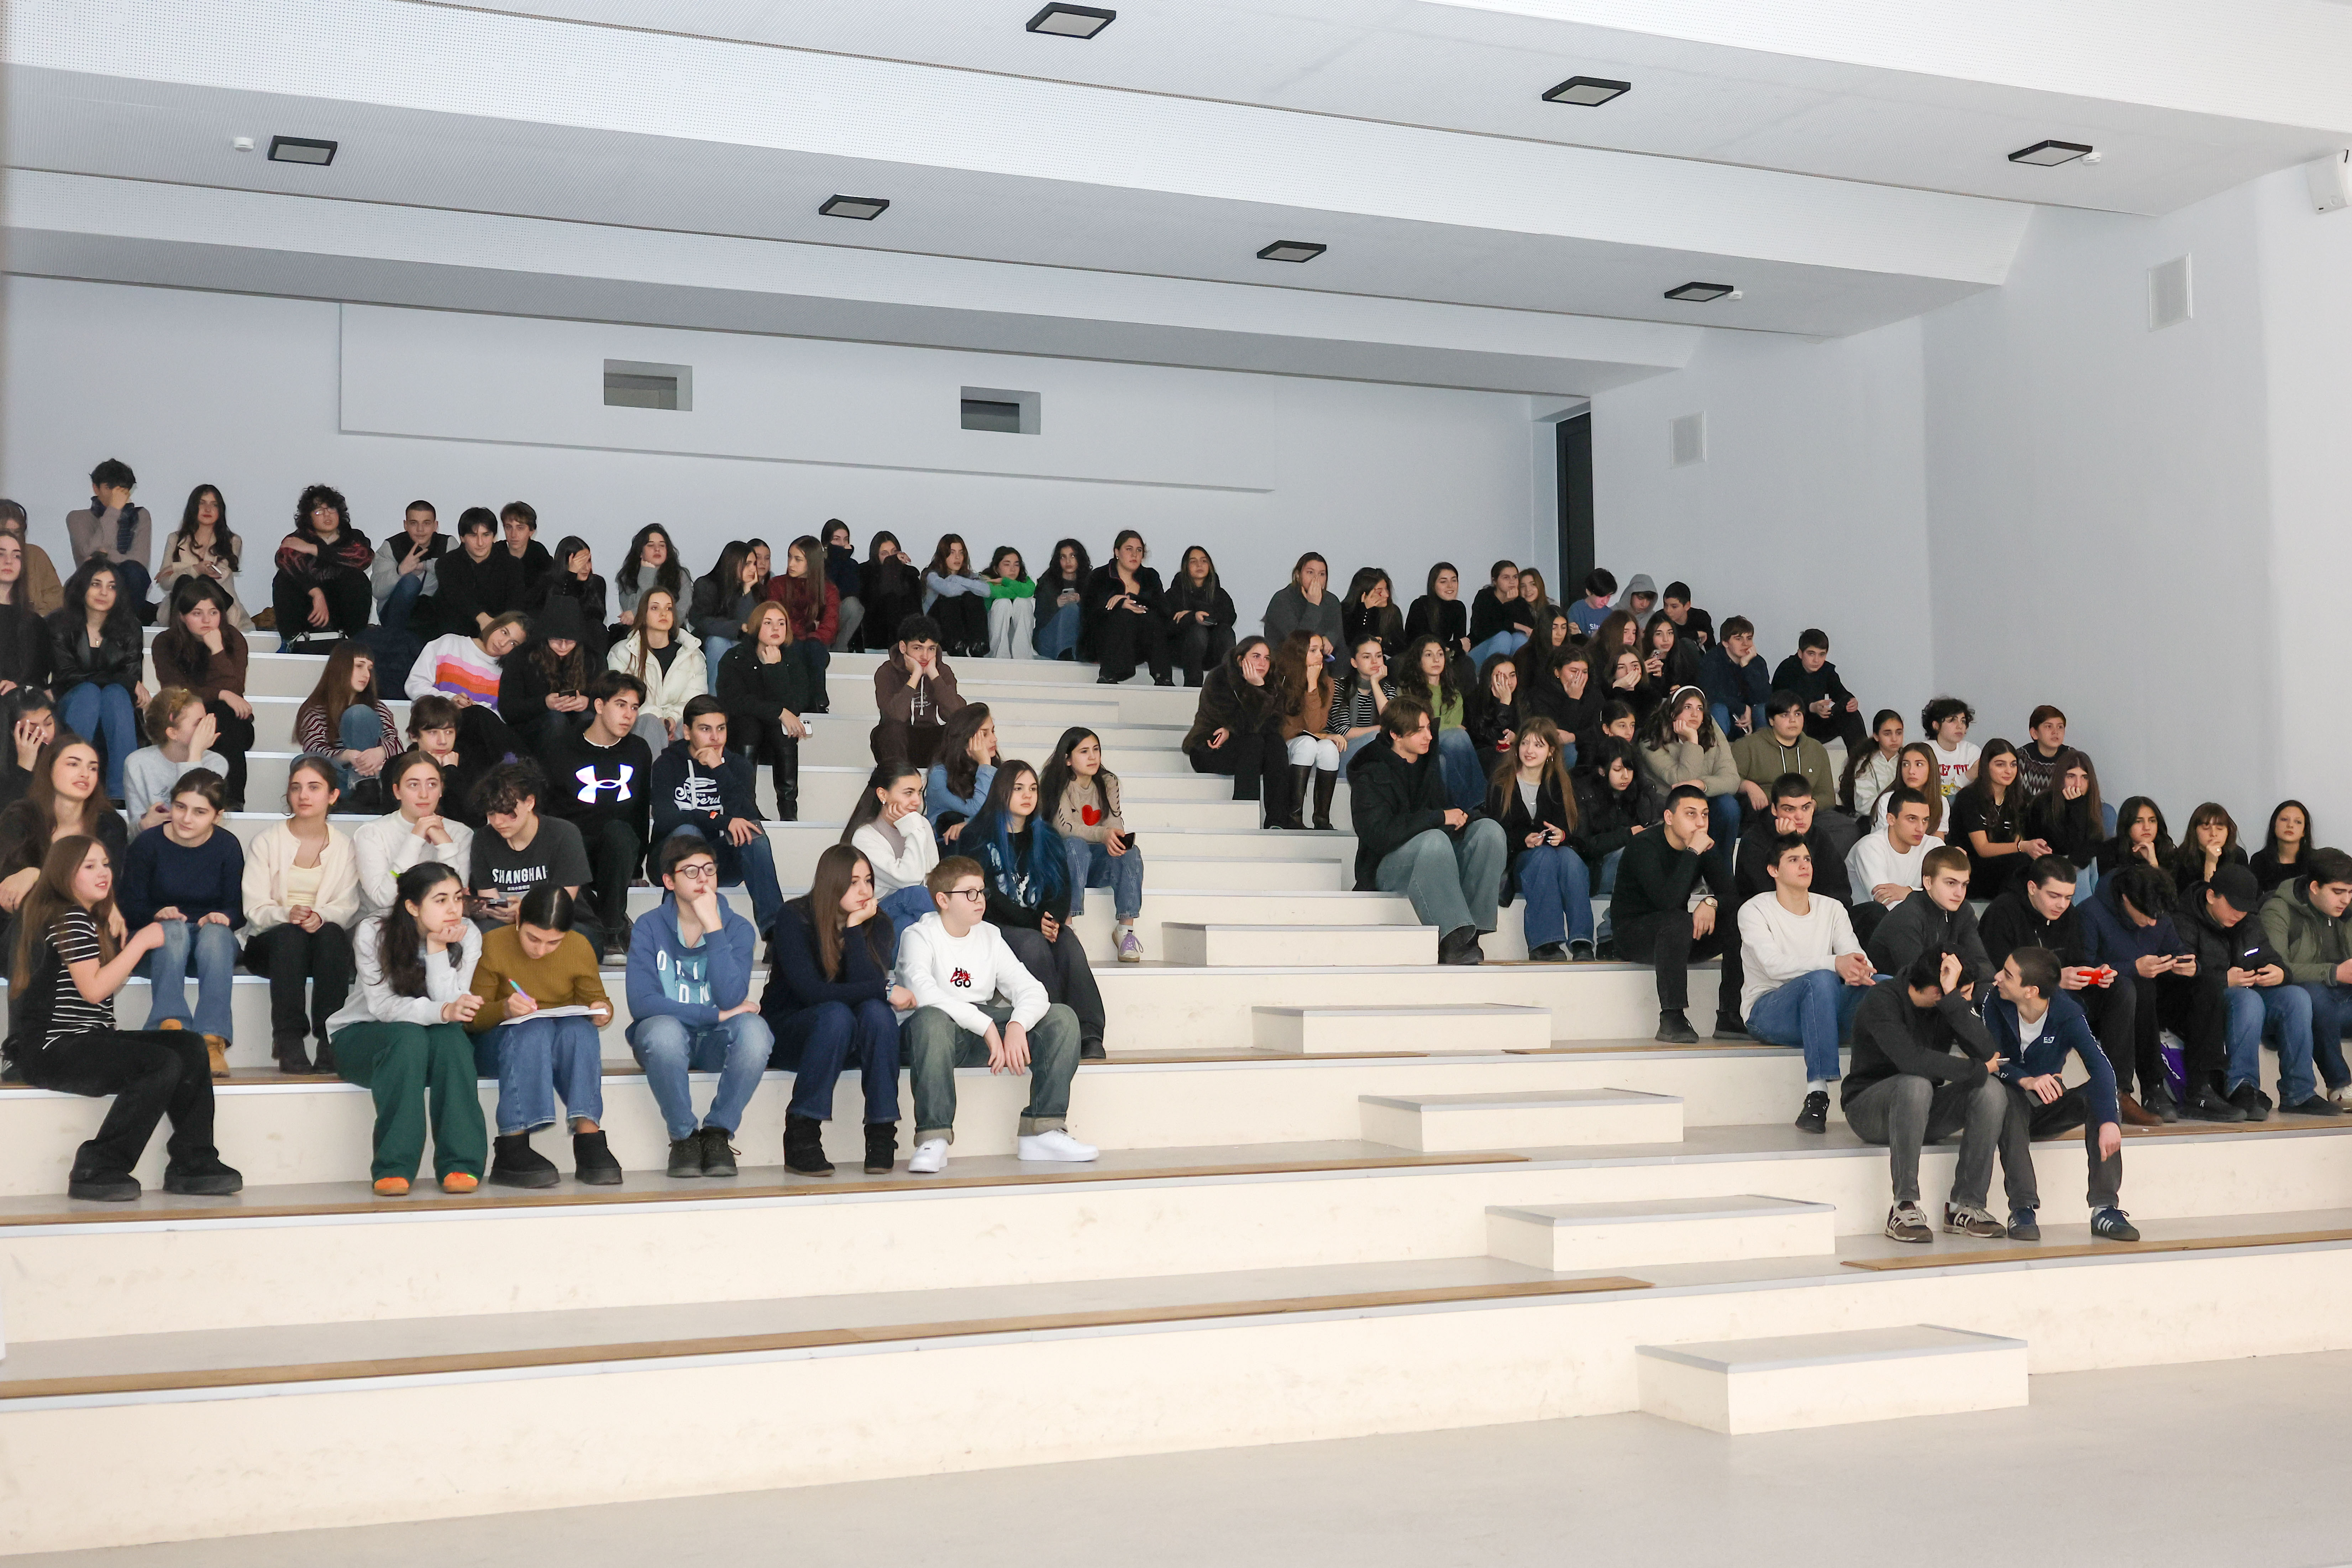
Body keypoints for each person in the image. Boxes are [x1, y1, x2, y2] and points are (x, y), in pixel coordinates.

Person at [10, 834, 239, 1201]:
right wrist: (140, 942)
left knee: (188, 1044)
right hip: (53, 1048)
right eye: (89, 866)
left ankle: (194, 1160)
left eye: (105, 864)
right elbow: (94, 990)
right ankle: (97, 1166)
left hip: (89, 1038)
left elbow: (102, 989)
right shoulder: (68, 916)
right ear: (64, 874)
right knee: (160, 1063)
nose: (103, 872)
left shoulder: (88, 918)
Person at [895, 856, 1094, 1174]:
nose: (980, 900)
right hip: (930, 1035)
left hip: (979, 1032)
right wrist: (987, 1025)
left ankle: (1042, 1129)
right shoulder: (918, 935)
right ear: (943, 900)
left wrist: (1016, 1024)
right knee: (932, 1020)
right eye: (969, 893)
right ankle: (933, 1138)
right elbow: (923, 994)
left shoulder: (989, 934)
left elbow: (1032, 989)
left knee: (1062, 1018)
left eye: (982, 891)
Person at [319, 861, 489, 1195]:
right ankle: (394, 1166)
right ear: (412, 906)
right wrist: (443, 1010)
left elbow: (451, 1007)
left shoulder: (468, 934)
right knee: (409, 1035)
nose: (454, 909)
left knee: (453, 1039)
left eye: (458, 898)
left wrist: (438, 950)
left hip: (427, 1043)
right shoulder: (374, 931)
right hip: (362, 1037)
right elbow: (383, 1007)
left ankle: (461, 1163)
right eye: (441, 900)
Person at [1843, 948, 2023, 1244]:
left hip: (1922, 1108)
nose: (1964, 1001)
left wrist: (1954, 1004)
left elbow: (1988, 1052)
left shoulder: (1948, 1004)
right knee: (1916, 1084)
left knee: (1991, 1090)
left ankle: (1965, 1206)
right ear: (1935, 991)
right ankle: (1904, 1206)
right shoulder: (1883, 999)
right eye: (1959, 994)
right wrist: (1975, 1069)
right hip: (1869, 1110)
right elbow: (1911, 1060)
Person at [626, 832, 774, 1178]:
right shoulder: (649, 926)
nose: (703, 879)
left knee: (756, 1032)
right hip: (663, 1041)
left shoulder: (737, 929)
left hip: (713, 1043)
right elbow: (642, 1003)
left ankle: (717, 1133)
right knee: (663, 1033)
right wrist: (715, 1015)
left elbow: (732, 998)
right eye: (691, 871)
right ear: (669, 881)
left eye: (709, 869)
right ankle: (684, 1138)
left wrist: (714, 928)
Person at [762, 843, 907, 1176]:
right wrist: (884, 988)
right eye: (853, 882)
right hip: (792, 1034)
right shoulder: (795, 917)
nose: (865, 891)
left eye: (868, 881)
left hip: (848, 1037)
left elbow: (866, 990)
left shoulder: (878, 923)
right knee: (836, 1014)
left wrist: (854, 928)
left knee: (878, 1014)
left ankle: (882, 1133)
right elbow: (812, 993)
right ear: (832, 883)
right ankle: (801, 1134)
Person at [1980, 854, 2154, 1125]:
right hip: (2016, 1001)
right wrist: (2056, 980)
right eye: (2054, 896)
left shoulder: (2069, 915)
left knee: (2122, 988)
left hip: (2061, 999)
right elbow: (2001, 978)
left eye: (2068, 897)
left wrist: (2094, 976)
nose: (2062, 904)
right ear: (2032, 888)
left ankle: (2120, 1091)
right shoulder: (2003, 912)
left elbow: (2078, 960)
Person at [465, 883, 619, 1187]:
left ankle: (589, 1139)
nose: (540, 950)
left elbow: (597, 1000)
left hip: (553, 1042)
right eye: (533, 938)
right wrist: (505, 1009)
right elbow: (473, 1019)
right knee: (534, 1029)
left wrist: (602, 1011)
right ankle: (512, 1144)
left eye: (554, 943)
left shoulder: (578, 947)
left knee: (581, 1031)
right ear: (519, 919)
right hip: (501, 1044)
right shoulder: (494, 944)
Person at [1984, 948, 2138, 1241]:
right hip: (2009, 1107)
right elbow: (1991, 1060)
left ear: (2030, 991)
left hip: (2047, 1109)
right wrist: (2026, 1079)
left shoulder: (2068, 1013)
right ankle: (2022, 1209)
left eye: (2007, 975)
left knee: (2103, 1096)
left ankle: (2105, 1208)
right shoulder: (1995, 1002)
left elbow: (2102, 1067)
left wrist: (2109, 1120)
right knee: (2009, 1098)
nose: (1998, 978)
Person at [963, 761, 1109, 1060]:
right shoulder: (976, 836)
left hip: (1037, 922)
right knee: (1033, 945)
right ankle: (1055, 1029)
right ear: (1002, 791)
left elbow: (1062, 888)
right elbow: (986, 896)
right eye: (1019, 788)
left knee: (1068, 943)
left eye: (1033, 788)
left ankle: (1089, 1033)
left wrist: (1052, 918)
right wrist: (1035, 922)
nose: (1028, 795)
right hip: (993, 924)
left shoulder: (1048, 836)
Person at [1348, 695, 1507, 967]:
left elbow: (1443, 813)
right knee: (1433, 840)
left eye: (1428, 728)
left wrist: (1462, 818)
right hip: (1386, 865)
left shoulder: (1429, 762)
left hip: (1435, 855)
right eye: (1419, 730)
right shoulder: (1370, 773)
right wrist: (1438, 817)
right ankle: (1453, 938)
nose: (1429, 736)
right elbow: (1380, 835)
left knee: (1489, 832)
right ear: (1396, 735)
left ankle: (1470, 933)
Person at [1739, 833, 1875, 1132]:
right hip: (1769, 1011)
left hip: (1822, 1008)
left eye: (1807, 859)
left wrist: (1860, 969)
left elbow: (1854, 954)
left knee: (1886, 987)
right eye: (1793, 860)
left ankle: (1882, 1084)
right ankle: (1818, 1094)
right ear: (1773, 870)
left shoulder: (1832, 908)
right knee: (1821, 979)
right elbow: (1774, 966)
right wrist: (1835, 964)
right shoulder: (1754, 910)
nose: (1804, 865)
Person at [2168, 862, 2317, 1122]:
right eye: (2233, 906)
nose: (2239, 914)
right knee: (2248, 1000)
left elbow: (2272, 958)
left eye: (2245, 908)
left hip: (2248, 996)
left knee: (2297, 998)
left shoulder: (2248, 921)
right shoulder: (2184, 920)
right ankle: (2242, 1087)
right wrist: (2224, 979)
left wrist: (2281, 973)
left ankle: (2300, 1093)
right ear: (2211, 896)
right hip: (2207, 1003)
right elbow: (2179, 977)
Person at [1723, 772, 1867, 1037]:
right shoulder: (1756, 840)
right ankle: (1729, 1014)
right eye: (1790, 809)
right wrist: (1789, 843)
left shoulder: (1820, 838)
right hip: (1770, 931)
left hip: (1815, 921)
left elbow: (1839, 893)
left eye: (1806, 808)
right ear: (1774, 810)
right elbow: (1772, 898)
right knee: (1736, 920)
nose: (1799, 817)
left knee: (1871, 915)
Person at [121, 769, 243, 1079]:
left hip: (209, 948)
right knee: (172, 930)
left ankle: (212, 1040)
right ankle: (170, 1027)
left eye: (200, 812)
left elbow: (237, 908)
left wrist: (223, 917)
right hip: (160, 948)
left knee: (217, 934)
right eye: (180, 807)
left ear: (218, 816)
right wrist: (156, 914)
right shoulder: (147, 844)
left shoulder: (227, 846)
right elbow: (129, 907)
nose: (187, 818)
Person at [241, 756, 359, 1074]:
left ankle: (330, 1038)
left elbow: (347, 906)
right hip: (270, 944)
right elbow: (254, 908)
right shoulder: (267, 841)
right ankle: (288, 1038)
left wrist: (320, 916)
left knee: (332, 933)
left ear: (333, 795)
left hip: (322, 946)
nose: (304, 795)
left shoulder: (345, 847)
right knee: (289, 935)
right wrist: (287, 913)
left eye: (314, 787)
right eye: (296, 788)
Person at [540, 671, 655, 960]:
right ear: (600, 706)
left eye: (635, 707)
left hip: (616, 853)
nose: (629, 715)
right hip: (571, 850)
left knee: (619, 832)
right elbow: (546, 809)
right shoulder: (562, 747)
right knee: (567, 838)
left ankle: (612, 931)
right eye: (621, 705)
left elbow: (640, 813)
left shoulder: (639, 750)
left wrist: (636, 867)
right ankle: (610, 922)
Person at [651, 696, 785, 941]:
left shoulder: (737, 766)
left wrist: (720, 770)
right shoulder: (667, 764)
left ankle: (776, 934)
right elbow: (665, 818)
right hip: (670, 861)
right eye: (706, 729)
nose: (715, 738)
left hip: (717, 863)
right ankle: (671, 932)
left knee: (753, 834)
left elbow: (747, 818)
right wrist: (722, 821)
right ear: (687, 732)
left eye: (721, 729)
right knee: (689, 834)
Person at [1609, 784, 1732, 1040]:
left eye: (1705, 815)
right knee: (1677, 920)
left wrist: (1711, 902)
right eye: (1691, 814)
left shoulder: (1703, 845)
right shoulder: (1645, 846)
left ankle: (1730, 1015)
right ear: (1669, 817)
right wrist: (1692, 852)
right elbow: (1667, 901)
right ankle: (1672, 1016)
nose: (1700, 823)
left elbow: (1733, 895)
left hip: (1676, 937)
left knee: (1740, 919)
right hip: (1633, 935)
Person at [0, 739, 130, 971]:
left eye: (93, 768)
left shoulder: (110, 825)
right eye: (73, 764)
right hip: (26, 933)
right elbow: (12, 894)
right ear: (49, 768)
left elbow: (102, 890)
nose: (85, 774)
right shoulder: (20, 818)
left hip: (88, 927)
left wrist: (37, 875)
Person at [2080, 863, 2191, 1123]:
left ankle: (2160, 1087)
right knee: (2132, 985)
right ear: (2126, 899)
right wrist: (2133, 968)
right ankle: (2120, 1091)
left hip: (2146, 1001)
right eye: (2148, 916)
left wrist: (2188, 965)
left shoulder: (2157, 912)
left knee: (2201, 985)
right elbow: (2084, 971)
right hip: (2100, 999)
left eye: (2158, 916)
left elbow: (2177, 950)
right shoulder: (2091, 912)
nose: (2153, 922)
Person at [1040, 727, 1146, 963]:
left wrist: (1115, 838)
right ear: (1067, 759)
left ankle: (1125, 931)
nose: (1093, 757)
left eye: (1096, 750)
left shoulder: (1108, 782)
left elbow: (1114, 822)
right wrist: (1103, 834)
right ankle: (1067, 928)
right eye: (1084, 751)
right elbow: (1064, 828)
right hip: (1064, 865)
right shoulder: (1057, 783)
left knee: (1130, 852)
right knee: (1075, 846)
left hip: (1095, 863)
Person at [1491, 718, 1592, 962]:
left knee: (1570, 858)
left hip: (1557, 857)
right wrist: (1523, 839)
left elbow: (1579, 831)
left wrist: (1563, 835)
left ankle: (1582, 941)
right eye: (1525, 743)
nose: (1529, 750)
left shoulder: (1562, 783)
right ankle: (1545, 943)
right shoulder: (1502, 782)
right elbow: (1494, 830)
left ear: (1552, 751)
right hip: (1519, 861)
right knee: (1544, 856)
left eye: (1538, 745)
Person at [150, 577, 254, 809]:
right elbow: (177, 692)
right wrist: (221, 694)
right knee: (218, 710)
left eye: (213, 612)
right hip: (185, 722)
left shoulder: (234, 639)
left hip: (230, 724)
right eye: (197, 613)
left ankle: (232, 800)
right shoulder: (165, 642)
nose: (207, 620)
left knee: (225, 715)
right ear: (182, 616)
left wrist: (217, 650)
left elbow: (235, 690)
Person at [468, 760, 593, 948]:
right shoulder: (483, 840)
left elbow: (562, 903)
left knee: (576, 938)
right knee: (484, 933)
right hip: (508, 926)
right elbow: (489, 900)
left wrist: (525, 910)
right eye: (492, 813)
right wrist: (496, 909)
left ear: (530, 802)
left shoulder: (563, 834)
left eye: (508, 812)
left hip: (562, 924)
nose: (498, 821)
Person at [2263, 846, 2352, 1111]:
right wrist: (2333, 973)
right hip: (2300, 1007)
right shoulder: (2278, 909)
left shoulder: (2347, 912)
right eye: (2338, 892)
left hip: (2341, 1003)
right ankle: (2340, 1084)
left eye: (2351, 892)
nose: (2346, 900)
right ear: (2314, 887)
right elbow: (2278, 969)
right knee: (2313, 993)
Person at [47, 559, 144, 803]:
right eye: (96, 584)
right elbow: (67, 676)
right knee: (89, 692)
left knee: (116, 694)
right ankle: (67, 779)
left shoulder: (130, 628)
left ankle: (121, 794)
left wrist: (124, 682)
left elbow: (131, 680)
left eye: (112, 587)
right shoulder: (59, 624)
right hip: (72, 702)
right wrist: (121, 680)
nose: (104, 593)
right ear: (82, 587)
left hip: (115, 709)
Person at [715, 600, 811, 821]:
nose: (776, 628)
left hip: (777, 743)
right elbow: (734, 702)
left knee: (783, 730)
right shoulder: (735, 658)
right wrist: (779, 712)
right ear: (757, 627)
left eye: (781, 623)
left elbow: (796, 705)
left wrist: (775, 669)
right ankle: (747, 805)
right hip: (743, 741)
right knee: (749, 724)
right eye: (768, 623)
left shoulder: (793, 660)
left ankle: (788, 809)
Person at [353, 749, 475, 923]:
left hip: (441, 923)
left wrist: (446, 846)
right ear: (397, 791)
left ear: (441, 790)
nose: (424, 794)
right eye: (414, 785)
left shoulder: (460, 833)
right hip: (387, 923)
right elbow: (386, 899)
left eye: (432, 785)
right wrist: (415, 839)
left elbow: (455, 899)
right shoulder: (371, 833)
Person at [1635, 686, 1741, 883]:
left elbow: (1733, 780)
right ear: (1672, 712)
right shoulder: (1651, 740)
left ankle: (1722, 876)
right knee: (1693, 811)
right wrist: (1692, 740)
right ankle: (1692, 873)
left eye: (1700, 708)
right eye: (1688, 707)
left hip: (1704, 800)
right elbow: (1682, 783)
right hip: (1669, 806)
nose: (1695, 714)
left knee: (1728, 806)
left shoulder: (1711, 728)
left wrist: (1702, 784)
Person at [1865, 844, 1994, 1001]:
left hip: (1938, 996)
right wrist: (1963, 980)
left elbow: (1984, 967)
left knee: (1990, 991)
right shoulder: (1906, 918)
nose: (1959, 893)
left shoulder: (1962, 910)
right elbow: (1920, 981)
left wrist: (1961, 980)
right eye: (1951, 883)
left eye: (1964, 885)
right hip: (1892, 1000)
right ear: (1928, 882)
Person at [1183, 636, 1288, 824]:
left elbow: (1272, 726)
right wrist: (1256, 694)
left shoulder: (1272, 683)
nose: (1263, 663)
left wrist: (1259, 690)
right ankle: (1244, 817)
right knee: (1253, 741)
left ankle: (1277, 822)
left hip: (1248, 751)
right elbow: (1224, 720)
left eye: (1267, 658)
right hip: (1210, 748)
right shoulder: (1220, 678)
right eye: (1256, 656)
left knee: (1276, 743)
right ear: (1241, 660)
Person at [272, 483, 375, 652]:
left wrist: (313, 549)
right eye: (319, 511)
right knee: (284, 579)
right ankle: (292, 641)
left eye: (331, 509)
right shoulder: (297, 539)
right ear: (309, 518)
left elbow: (362, 558)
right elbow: (285, 561)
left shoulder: (353, 537)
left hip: (342, 610)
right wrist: (316, 593)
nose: (327, 515)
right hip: (308, 607)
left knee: (357, 578)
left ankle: (354, 643)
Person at [296, 640, 398, 809]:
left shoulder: (378, 707)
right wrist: (348, 756)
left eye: (370, 669)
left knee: (359, 713)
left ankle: (367, 787)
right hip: (343, 780)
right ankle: (360, 791)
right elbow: (315, 750)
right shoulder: (315, 709)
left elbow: (396, 745)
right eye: (359, 666)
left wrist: (380, 753)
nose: (367, 675)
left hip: (378, 780)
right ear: (340, 667)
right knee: (303, 762)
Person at [1947, 739, 2049, 904]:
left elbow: (2026, 835)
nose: (2009, 771)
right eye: (2000, 765)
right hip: (1970, 869)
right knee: (2021, 863)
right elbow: (1983, 849)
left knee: (2043, 866)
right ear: (1986, 766)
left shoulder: (2020, 797)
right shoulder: (1969, 797)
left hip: (2006, 867)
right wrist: (2022, 847)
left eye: (2013, 765)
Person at [606, 584, 704, 754]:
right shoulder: (622, 652)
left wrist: (672, 719)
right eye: (655, 608)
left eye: (669, 608)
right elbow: (623, 697)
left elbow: (695, 699)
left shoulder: (693, 655)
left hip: (678, 724)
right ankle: (655, 773)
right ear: (643, 615)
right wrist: (659, 719)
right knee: (651, 723)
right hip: (638, 723)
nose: (663, 613)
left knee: (697, 723)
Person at [1574, 735, 1655, 938]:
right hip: (1595, 871)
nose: (1626, 776)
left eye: (1630, 769)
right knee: (1635, 855)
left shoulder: (1640, 791)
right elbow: (1585, 846)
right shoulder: (1584, 793)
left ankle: (1613, 931)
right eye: (1618, 770)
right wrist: (1628, 835)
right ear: (1602, 771)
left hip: (1628, 867)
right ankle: (1610, 932)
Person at [846, 762, 941, 932]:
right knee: (917, 895)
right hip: (875, 912)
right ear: (883, 794)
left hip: (910, 914)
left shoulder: (921, 824)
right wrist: (913, 831)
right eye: (909, 793)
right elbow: (909, 880)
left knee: (906, 924)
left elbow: (933, 875)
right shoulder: (864, 837)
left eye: (919, 792)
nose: (917, 801)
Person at [121, 687, 227, 830]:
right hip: (153, 841)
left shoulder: (216, 763)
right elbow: (134, 831)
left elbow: (194, 809)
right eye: (199, 723)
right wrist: (145, 824)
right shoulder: (137, 763)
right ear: (173, 733)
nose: (207, 727)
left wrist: (195, 754)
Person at [65, 458, 156, 622]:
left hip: (127, 588)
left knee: (133, 572)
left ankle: (125, 627)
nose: (116, 494)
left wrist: (105, 554)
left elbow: (139, 563)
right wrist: (114, 511)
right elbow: (88, 558)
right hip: (92, 583)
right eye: (110, 488)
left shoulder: (140, 516)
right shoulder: (77, 518)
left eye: (121, 489)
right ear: (96, 488)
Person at [1402, 634, 1484, 813]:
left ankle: (1454, 811)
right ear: (1418, 660)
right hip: (1417, 748)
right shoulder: (1407, 692)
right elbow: (1411, 729)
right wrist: (1441, 729)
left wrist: (1437, 728)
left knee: (1443, 760)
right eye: (1429, 655)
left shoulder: (1454, 695)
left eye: (1440, 654)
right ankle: (1478, 802)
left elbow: (1447, 732)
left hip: (1442, 750)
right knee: (1458, 736)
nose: (1436, 660)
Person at [367, 499, 448, 680]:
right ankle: (393, 642)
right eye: (414, 523)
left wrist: (425, 566)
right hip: (396, 614)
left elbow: (456, 572)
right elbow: (377, 591)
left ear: (436, 526)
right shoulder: (391, 547)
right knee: (410, 582)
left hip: (432, 614)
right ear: (405, 525)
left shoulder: (448, 544)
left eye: (426, 523)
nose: (420, 530)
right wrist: (400, 571)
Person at [870, 614, 965, 769]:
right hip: (901, 742)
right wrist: (915, 676)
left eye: (931, 649)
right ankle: (899, 778)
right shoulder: (887, 672)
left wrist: (935, 676)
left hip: (934, 741)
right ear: (903, 648)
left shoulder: (943, 672)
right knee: (887, 732)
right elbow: (894, 717)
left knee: (965, 731)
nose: (925, 656)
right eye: (917, 648)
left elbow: (957, 716)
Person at [158, 483, 253, 631]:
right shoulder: (175, 539)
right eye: (202, 503)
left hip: (220, 606)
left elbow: (220, 575)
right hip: (181, 607)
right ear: (193, 507)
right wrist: (195, 569)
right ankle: (181, 632)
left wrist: (177, 567)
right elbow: (165, 582)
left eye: (214, 505)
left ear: (220, 511)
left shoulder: (233, 541)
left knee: (204, 581)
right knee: (185, 581)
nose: (208, 509)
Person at [1728, 692, 1836, 820]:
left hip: (1808, 814)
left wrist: (1810, 806)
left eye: (1798, 714)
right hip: (1768, 812)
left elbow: (1827, 796)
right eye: (1785, 715)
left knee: (1843, 825)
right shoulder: (1748, 746)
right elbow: (1729, 780)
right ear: (1771, 720)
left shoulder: (1816, 749)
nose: (1793, 720)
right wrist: (1748, 786)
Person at [1086, 530, 1172, 686]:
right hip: (1105, 643)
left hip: (1141, 644)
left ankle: (1163, 678)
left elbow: (1164, 611)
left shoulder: (1150, 577)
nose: (1134, 555)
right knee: (1124, 615)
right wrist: (1120, 605)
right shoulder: (1099, 576)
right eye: (1129, 549)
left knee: (1152, 619)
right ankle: (1109, 675)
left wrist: (1132, 600)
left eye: (1139, 550)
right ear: (1117, 552)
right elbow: (1089, 614)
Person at [2018, 751, 2106, 903]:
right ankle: (2082, 912)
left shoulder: (2090, 804)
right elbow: (2064, 847)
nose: (2078, 784)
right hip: (2046, 864)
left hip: (2076, 864)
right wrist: (2075, 807)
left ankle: (2088, 909)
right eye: (2071, 776)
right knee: (2080, 868)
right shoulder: (2043, 803)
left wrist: (2077, 807)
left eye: (2084, 777)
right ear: (2061, 778)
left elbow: (2095, 843)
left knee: (2089, 862)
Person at [1274, 631, 1339, 831]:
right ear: (1299, 653)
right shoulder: (1280, 678)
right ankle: (1294, 817)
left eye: (1321, 651)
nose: (1320, 656)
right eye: (1313, 651)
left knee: (1329, 748)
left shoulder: (1327, 684)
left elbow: (1315, 726)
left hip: (1307, 739)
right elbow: (1285, 729)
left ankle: (1322, 819)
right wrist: (1319, 735)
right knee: (1308, 744)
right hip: (1283, 746)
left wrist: (1312, 686)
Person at [406, 608, 527, 714]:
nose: (503, 643)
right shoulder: (449, 643)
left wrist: (476, 712)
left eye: (513, 643)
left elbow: (503, 716)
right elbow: (415, 685)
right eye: (504, 632)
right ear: (495, 625)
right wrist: (449, 701)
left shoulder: (507, 675)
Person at [765, 535, 839, 700]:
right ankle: (815, 702)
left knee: (813, 648)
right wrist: (810, 627)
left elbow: (830, 628)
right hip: (787, 643)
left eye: (798, 559)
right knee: (797, 648)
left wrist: (810, 636)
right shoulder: (777, 585)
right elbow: (779, 622)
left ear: (812, 562)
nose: (791, 564)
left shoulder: (829, 590)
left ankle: (816, 702)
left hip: (815, 646)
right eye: (790, 557)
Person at [1768, 629, 1867, 750]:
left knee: (1851, 715)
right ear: (1800, 654)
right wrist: (1811, 707)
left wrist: (1851, 700)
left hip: (1816, 724)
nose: (1817, 660)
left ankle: (1862, 760)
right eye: (1811, 654)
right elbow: (1780, 704)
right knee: (1796, 717)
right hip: (1791, 723)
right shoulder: (1787, 669)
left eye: (1822, 655)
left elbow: (1839, 692)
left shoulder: (1826, 670)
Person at [431, 507, 523, 637]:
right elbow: (457, 598)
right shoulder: (446, 564)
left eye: (486, 535)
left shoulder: (512, 565)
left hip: (499, 635)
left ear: (494, 537)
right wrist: (481, 618)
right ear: (462, 538)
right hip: (456, 636)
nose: (480, 543)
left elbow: (514, 608)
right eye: (473, 536)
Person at [690, 540, 769, 683]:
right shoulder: (706, 585)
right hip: (709, 642)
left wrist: (746, 592)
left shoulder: (757, 591)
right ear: (733, 563)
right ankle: (715, 696)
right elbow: (700, 620)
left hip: (740, 642)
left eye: (754, 564)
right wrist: (737, 627)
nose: (753, 569)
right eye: (748, 564)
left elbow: (748, 625)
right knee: (719, 642)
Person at [924, 704, 998, 847]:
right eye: (985, 734)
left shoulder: (994, 769)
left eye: (993, 731)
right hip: (948, 848)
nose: (994, 739)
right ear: (966, 738)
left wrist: (969, 823)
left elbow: (1007, 814)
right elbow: (976, 809)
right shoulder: (939, 775)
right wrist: (985, 765)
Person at [1326, 633, 1397, 773]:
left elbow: (1392, 721)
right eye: (1367, 657)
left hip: (1375, 750)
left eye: (1379, 656)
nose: (1375, 662)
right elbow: (1344, 732)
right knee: (1377, 739)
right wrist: (1381, 729)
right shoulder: (1339, 687)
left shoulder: (1387, 689)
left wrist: (1375, 684)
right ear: (1354, 663)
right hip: (1341, 750)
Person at [1166, 545, 1237, 685]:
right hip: (1182, 652)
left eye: (1204, 561)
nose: (1200, 565)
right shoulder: (1174, 594)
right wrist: (1193, 618)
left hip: (1212, 654)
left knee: (1226, 632)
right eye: (1194, 561)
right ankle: (1193, 686)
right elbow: (1167, 626)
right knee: (1198, 631)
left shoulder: (1220, 594)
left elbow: (1230, 617)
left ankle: (1229, 686)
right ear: (1186, 567)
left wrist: (1196, 613)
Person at [612, 523, 691, 644]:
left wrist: (636, 613)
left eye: (662, 546)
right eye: (651, 545)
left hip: (672, 634)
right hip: (637, 634)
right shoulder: (627, 576)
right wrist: (647, 575)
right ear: (641, 552)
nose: (657, 549)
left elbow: (679, 616)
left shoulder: (680, 575)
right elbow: (632, 618)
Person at [919, 534, 991, 659]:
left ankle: (978, 644)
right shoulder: (932, 576)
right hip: (935, 630)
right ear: (943, 555)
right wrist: (970, 586)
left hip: (962, 629)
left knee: (973, 597)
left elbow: (986, 591)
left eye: (961, 553)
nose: (958, 557)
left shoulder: (969, 576)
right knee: (950, 599)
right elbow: (949, 591)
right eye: (952, 553)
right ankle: (956, 644)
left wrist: (955, 579)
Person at [0, 533, 52, 702]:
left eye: (17, 556)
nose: (9, 561)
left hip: (20, 704)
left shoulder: (35, 623)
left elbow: (39, 679)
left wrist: (20, 689)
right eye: (1, 554)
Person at [1700, 616, 1770, 740]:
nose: (1746, 644)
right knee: (1718, 709)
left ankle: (1764, 749)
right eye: (1739, 639)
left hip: (1750, 717)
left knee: (1763, 710)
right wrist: (1742, 708)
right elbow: (1709, 694)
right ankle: (1719, 749)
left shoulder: (1757, 662)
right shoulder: (1712, 659)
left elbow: (1765, 696)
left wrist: (1746, 666)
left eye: (1749, 638)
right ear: (1725, 643)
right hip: (1726, 714)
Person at [856, 532, 923, 656]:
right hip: (876, 638)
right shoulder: (865, 573)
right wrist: (890, 567)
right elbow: (871, 604)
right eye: (885, 554)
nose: (891, 557)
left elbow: (917, 611)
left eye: (894, 552)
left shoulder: (910, 575)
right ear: (876, 555)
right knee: (891, 598)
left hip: (907, 640)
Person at [1261, 551, 1342, 654]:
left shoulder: (1332, 601)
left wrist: (1330, 638)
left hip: (1322, 662)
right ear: (1298, 575)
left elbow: (1339, 638)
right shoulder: (1282, 600)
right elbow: (1297, 644)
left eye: (1322, 574)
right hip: (1287, 660)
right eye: (1310, 573)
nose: (1316, 579)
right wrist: (1314, 606)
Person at [0, 502, 65, 617]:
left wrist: (34, 618)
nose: (12, 537)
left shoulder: (36, 555)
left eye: (17, 532)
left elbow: (56, 599)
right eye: (6, 532)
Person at [1839, 709, 1905, 823]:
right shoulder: (1866, 764)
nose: (1894, 739)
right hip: (1873, 820)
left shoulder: (1907, 760)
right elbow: (1865, 805)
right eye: (1887, 734)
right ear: (1876, 736)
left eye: (1899, 733)